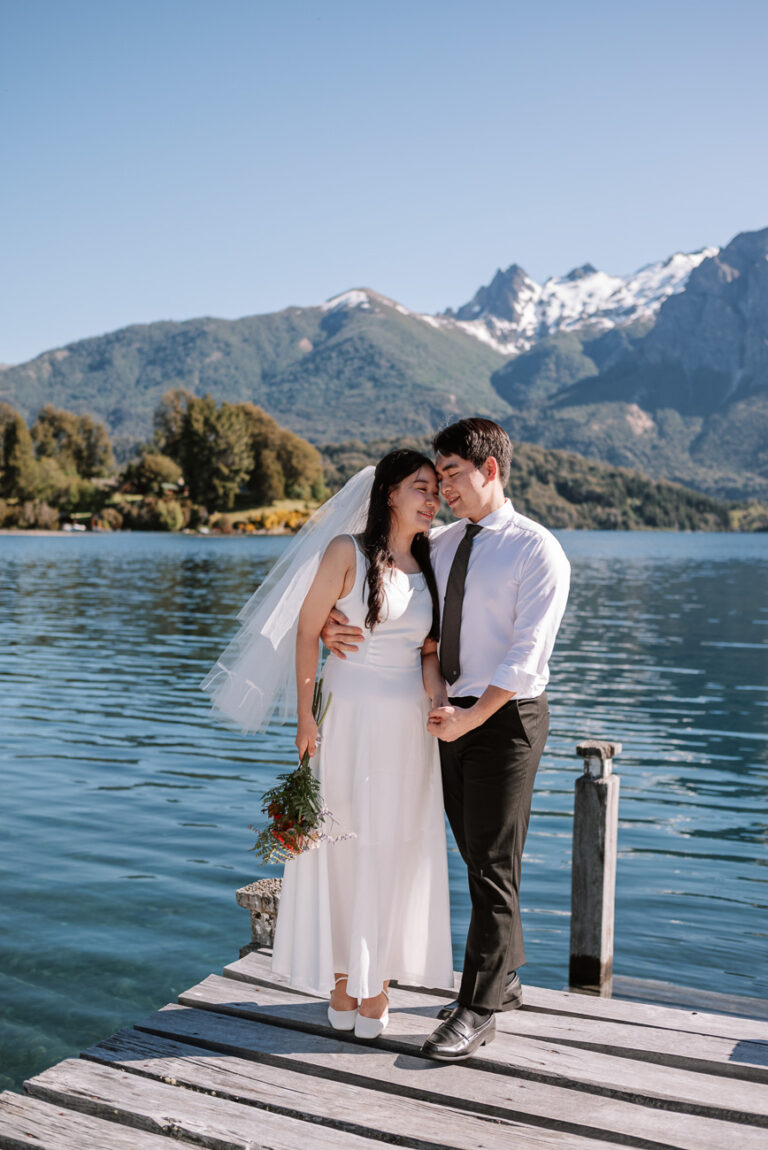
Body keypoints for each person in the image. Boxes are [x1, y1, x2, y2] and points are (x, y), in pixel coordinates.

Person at [323, 419, 570, 1060]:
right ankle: (503, 978)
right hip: (444, 717)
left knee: (492, 865)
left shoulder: (538, 550)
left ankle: (479, 1007)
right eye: (437, 478)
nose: (444, 490)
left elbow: (526, 658)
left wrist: (470, 716)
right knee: (474, 855)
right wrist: (331, 623)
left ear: (490, 472)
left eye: (453, 475)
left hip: (505, 720)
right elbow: (399, 611)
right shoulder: (441, 543)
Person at [203, 449, 453, 1039]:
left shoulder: (433, 557)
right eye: (421, 486)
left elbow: (428, 650)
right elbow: (307, 630)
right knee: (345, 844)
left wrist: (439, 702)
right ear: (389, 492)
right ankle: (343, 982)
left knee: (395, 846)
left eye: (436, 488)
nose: (432, 497)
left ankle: (380, 982)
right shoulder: (347, 551)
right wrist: (305, 721)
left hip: (409, 731)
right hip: (347, 722)